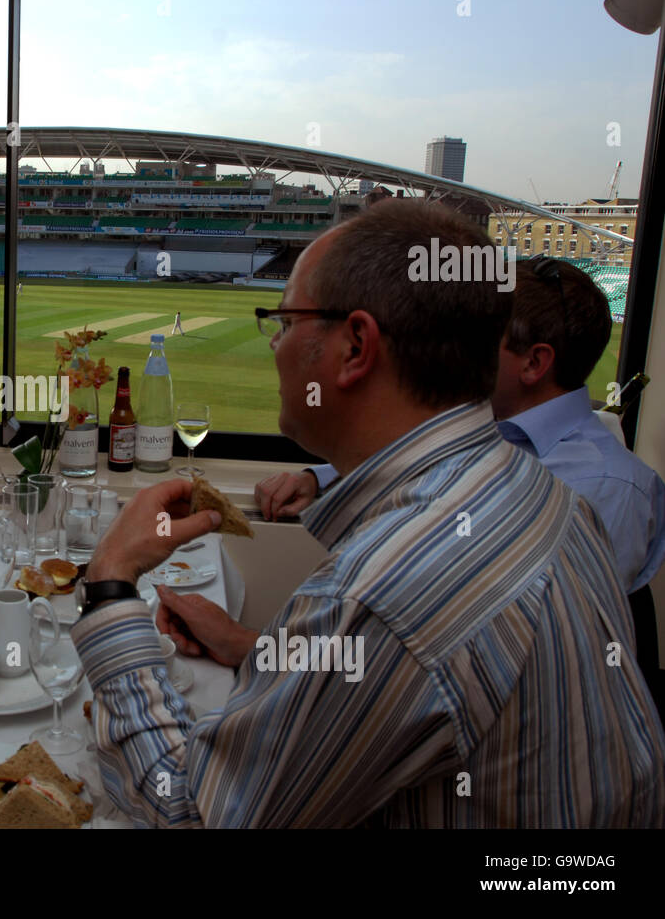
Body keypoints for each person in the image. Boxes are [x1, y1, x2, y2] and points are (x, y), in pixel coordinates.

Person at [72, 201, 665, 827]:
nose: (274, 343)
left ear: (356, 347)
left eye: (285, 319)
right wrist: (257, 650)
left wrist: (109, 584)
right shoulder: (543, 492)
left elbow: (191, 813)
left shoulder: (388, 591)